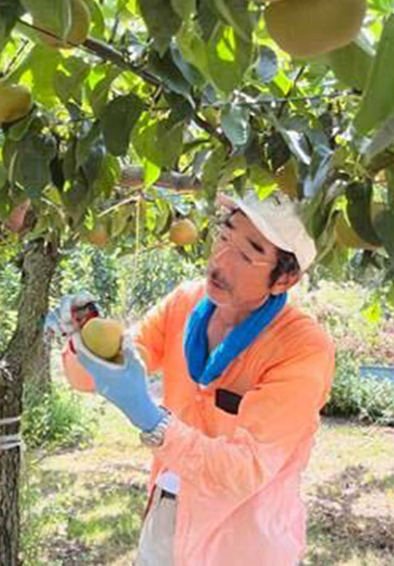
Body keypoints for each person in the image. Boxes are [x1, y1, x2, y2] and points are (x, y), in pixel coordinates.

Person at [54, 191, 336, 566]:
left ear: (284, 279)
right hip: (167, 515)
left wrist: (153, 422)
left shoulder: (302, 348)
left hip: (244, 540)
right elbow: (93, 377)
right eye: (223, 237)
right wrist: (83, 340)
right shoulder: (185, 304)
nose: (220, 261)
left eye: (247, 254)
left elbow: (246, 468)